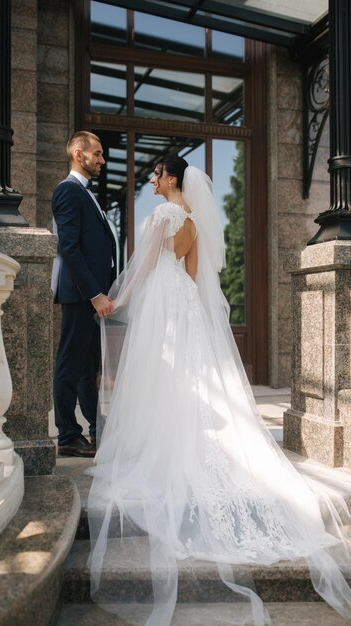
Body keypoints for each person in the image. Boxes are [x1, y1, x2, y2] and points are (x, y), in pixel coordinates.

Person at [87, 155, 351, 625]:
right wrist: (182, 306)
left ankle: (159, 443)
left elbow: (145, 266)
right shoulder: (192, 218)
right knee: (188, 376)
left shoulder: (164, 214)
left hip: (163, 304)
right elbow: (190, 272)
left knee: (162, 378)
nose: (151, 180)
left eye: (154, 174)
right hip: (184, 301)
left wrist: (117, 300)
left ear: (169, 176)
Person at [52, 131, 116, 458]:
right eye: (98, 154)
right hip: (81, 296)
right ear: (80, 154)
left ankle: (95, 429)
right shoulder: (68, 192)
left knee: (88, 367)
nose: (102, 160)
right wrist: (94, 294)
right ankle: (67, 435)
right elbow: (70, 249)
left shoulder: (86, 193)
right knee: (69, 365)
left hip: (91, 296)